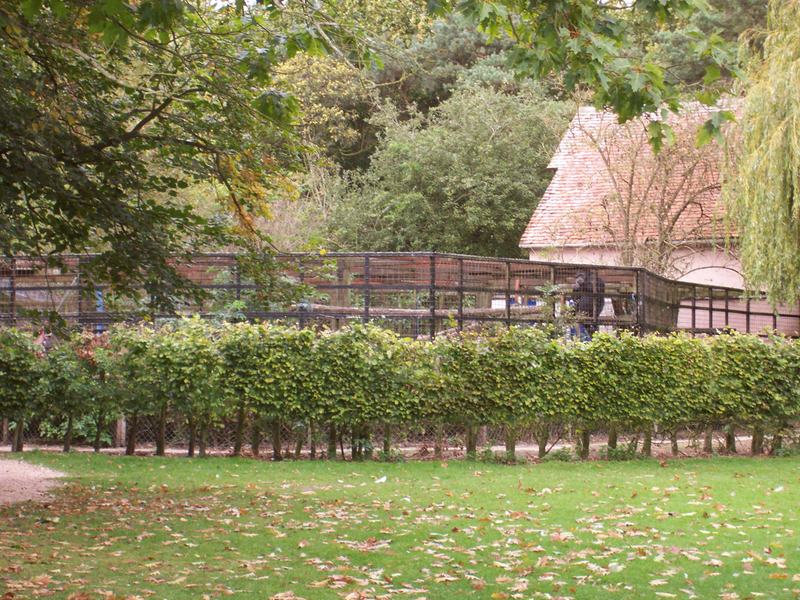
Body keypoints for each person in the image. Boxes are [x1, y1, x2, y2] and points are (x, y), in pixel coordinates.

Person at [571, 270, 605, 341]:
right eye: (577, 277)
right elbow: (574, 298)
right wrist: (575, 289)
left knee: (592, 324)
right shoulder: (580, 284)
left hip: (595, 308)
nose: (579, 278)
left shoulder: (596, 280)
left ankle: (594, 339)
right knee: (586, 325)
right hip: (583, 312)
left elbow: (598, 290)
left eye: (581, 276)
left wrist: (583, 284)